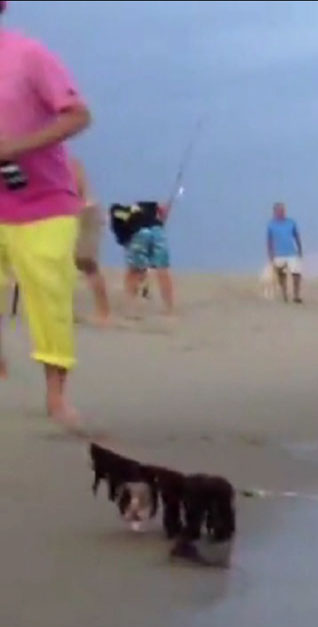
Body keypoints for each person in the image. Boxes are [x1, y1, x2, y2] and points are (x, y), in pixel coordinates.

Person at [0, 0, 93, 426]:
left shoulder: (28, 55)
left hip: (44, 202)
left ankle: (57, 398)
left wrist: (12, 149)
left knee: (49, 299)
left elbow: (79, 116)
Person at [68, 155, 111, 326]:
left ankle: (104, 313)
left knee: (86, 263)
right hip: (69, 215)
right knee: (63, 264)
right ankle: (66, 311)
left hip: (84, 212)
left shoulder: (66, 160)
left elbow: (78, 187)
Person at [121, 199, 175, 316]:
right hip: (157, 231)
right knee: (162, 269)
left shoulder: (129, 211)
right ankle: (169, 307)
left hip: (139, 231)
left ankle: (130, 306)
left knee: (133, 270)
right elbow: (162, 213)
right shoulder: (155, 209)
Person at [266, 202, 303, 303]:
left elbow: (296, 236)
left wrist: (300, 249)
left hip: (292, 253)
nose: (281, 212)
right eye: (279, 211)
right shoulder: (271, 225)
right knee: (282, 276)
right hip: (278, 254)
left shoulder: (291, 222)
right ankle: (284, 294)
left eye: (282, 210)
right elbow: (269, 240)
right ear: (274, 212)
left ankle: (296, 295)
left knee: (296, 274)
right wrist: (270, 254)